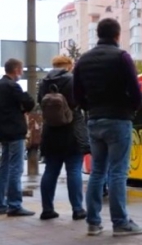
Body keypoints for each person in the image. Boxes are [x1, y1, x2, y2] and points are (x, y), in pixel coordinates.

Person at [73, 18, 142, 237]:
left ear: (98, 34)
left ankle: (93, 223)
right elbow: (135, 91)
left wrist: (91, 108)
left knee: (97, 172)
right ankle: (120, 223)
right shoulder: (122, 57)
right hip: (118, 119)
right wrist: (131, 108)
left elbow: (77, 95)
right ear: (117, 35)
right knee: (117, 172)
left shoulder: (82, 61)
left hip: (94, 120)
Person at [37, 56, 89, 221]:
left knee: (50, 171)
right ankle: (77, 209)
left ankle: (47, 209)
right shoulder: (72, 80)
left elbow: (40, 102)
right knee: (73, 170)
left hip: (51, 132)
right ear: (68, 66)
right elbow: (81, 101)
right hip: (71, 130)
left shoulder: (44, 82)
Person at [0, 58, 35, 216]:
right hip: (15, 131)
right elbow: (29, 104)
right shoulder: (13, 86)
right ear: (15, 70)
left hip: (3, 132)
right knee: (16, 168)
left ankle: (1, 203)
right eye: (21, 69)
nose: (21, 72)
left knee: (4, 167)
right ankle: (14, 204)